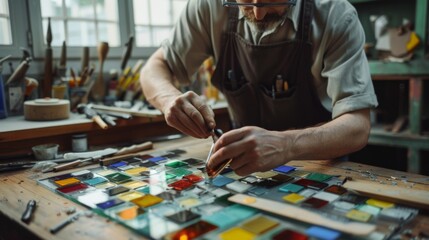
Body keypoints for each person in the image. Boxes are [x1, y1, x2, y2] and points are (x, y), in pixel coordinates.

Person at [140, 0, 378, 176]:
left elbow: (357, 126)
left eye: (270, 1)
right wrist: (168, 99)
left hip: (317, 167)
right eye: (245, 2)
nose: (258, 12)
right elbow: (155, 67)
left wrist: (286, 145)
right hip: (242, 168)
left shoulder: (336, 16)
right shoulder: (209, 6)